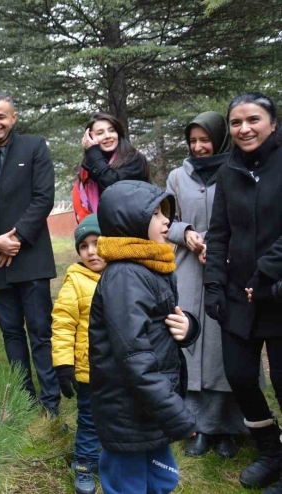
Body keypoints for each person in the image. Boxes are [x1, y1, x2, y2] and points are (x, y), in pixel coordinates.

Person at [89, 180, 199, 494]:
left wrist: (189, 327)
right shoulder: (125, 276)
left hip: (150, 406)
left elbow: (165, 323)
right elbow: (134, 356)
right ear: (130, 221)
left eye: (167, 213)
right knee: (129, 484)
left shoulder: (152, 267)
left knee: (162, 480)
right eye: (156, 214)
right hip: (129, 409)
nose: (167, 221)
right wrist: (176, 413)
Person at [0, 91, 60, 416]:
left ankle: (50, 401)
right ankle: (25, 399)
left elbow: (43, 197)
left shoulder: (34, 148)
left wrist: (15, 239)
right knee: (11, 334)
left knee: (40, 331)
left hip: (31, 258)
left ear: (13, 117)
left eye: (1, 116)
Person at [204, 92, 282, 492]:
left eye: (253, 119)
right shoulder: (229, 170)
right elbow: (218, 234)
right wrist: (214, 284)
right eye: (236, 123)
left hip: (277, 291)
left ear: (272, 122)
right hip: (237, 295)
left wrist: (266, 272)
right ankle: (271, 449)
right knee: (240, 376)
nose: (244, 129)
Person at [166, 111, 245, 459]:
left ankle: (230, 427)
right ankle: (196, 426)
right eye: (192, 141)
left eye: (205, 140)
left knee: (224, 346)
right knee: (191, 345)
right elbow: (164, 218)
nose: (198, 147)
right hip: (187, 269)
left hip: (229, 269)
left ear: (220, 139)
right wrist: (185, 233)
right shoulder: (176, 176)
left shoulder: (238, 170)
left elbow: (245, 218)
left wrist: (217, 247)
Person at [51, 214, 105, 494]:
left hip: (120, 370)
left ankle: (111, 460)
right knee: (89, 420)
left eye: (97, 243)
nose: (91, 251)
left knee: (117, 419)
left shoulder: (123, 275)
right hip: (89, 370)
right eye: (84, 246)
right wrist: (63, 365)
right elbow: (62, 324)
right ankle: (84, 465)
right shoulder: (75, 281)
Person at [72, 112, 150, 222]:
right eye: (100, 133)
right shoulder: (86, 170)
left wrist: (93, 153)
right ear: (89, 138)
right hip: (98, 231)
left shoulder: (134, 159)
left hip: (131, 227)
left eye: (112, 130)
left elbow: (111, 184)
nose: (108, 136)